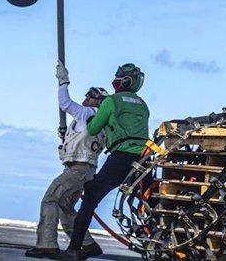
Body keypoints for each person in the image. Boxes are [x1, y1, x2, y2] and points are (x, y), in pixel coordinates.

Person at [58, 63, 150, 261]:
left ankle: (74, 250)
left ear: (123, 81)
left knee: (90, 196)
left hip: (122, 157)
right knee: (148, 202)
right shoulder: (143, 103)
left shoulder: (112, 101)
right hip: (144, 159)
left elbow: (92, 129)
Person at [25, 61, 109, 259]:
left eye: (92, 96)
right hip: (85, 170)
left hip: (78, 169)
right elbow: (82, 142)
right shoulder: (99, 122)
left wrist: (63, 80)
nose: (87, 98)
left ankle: (47, 245)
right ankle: (87, 244)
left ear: (100, 103)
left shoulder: (89, 113)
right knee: (65, 207)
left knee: (51, 199)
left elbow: (65, 104)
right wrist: (66, 137)